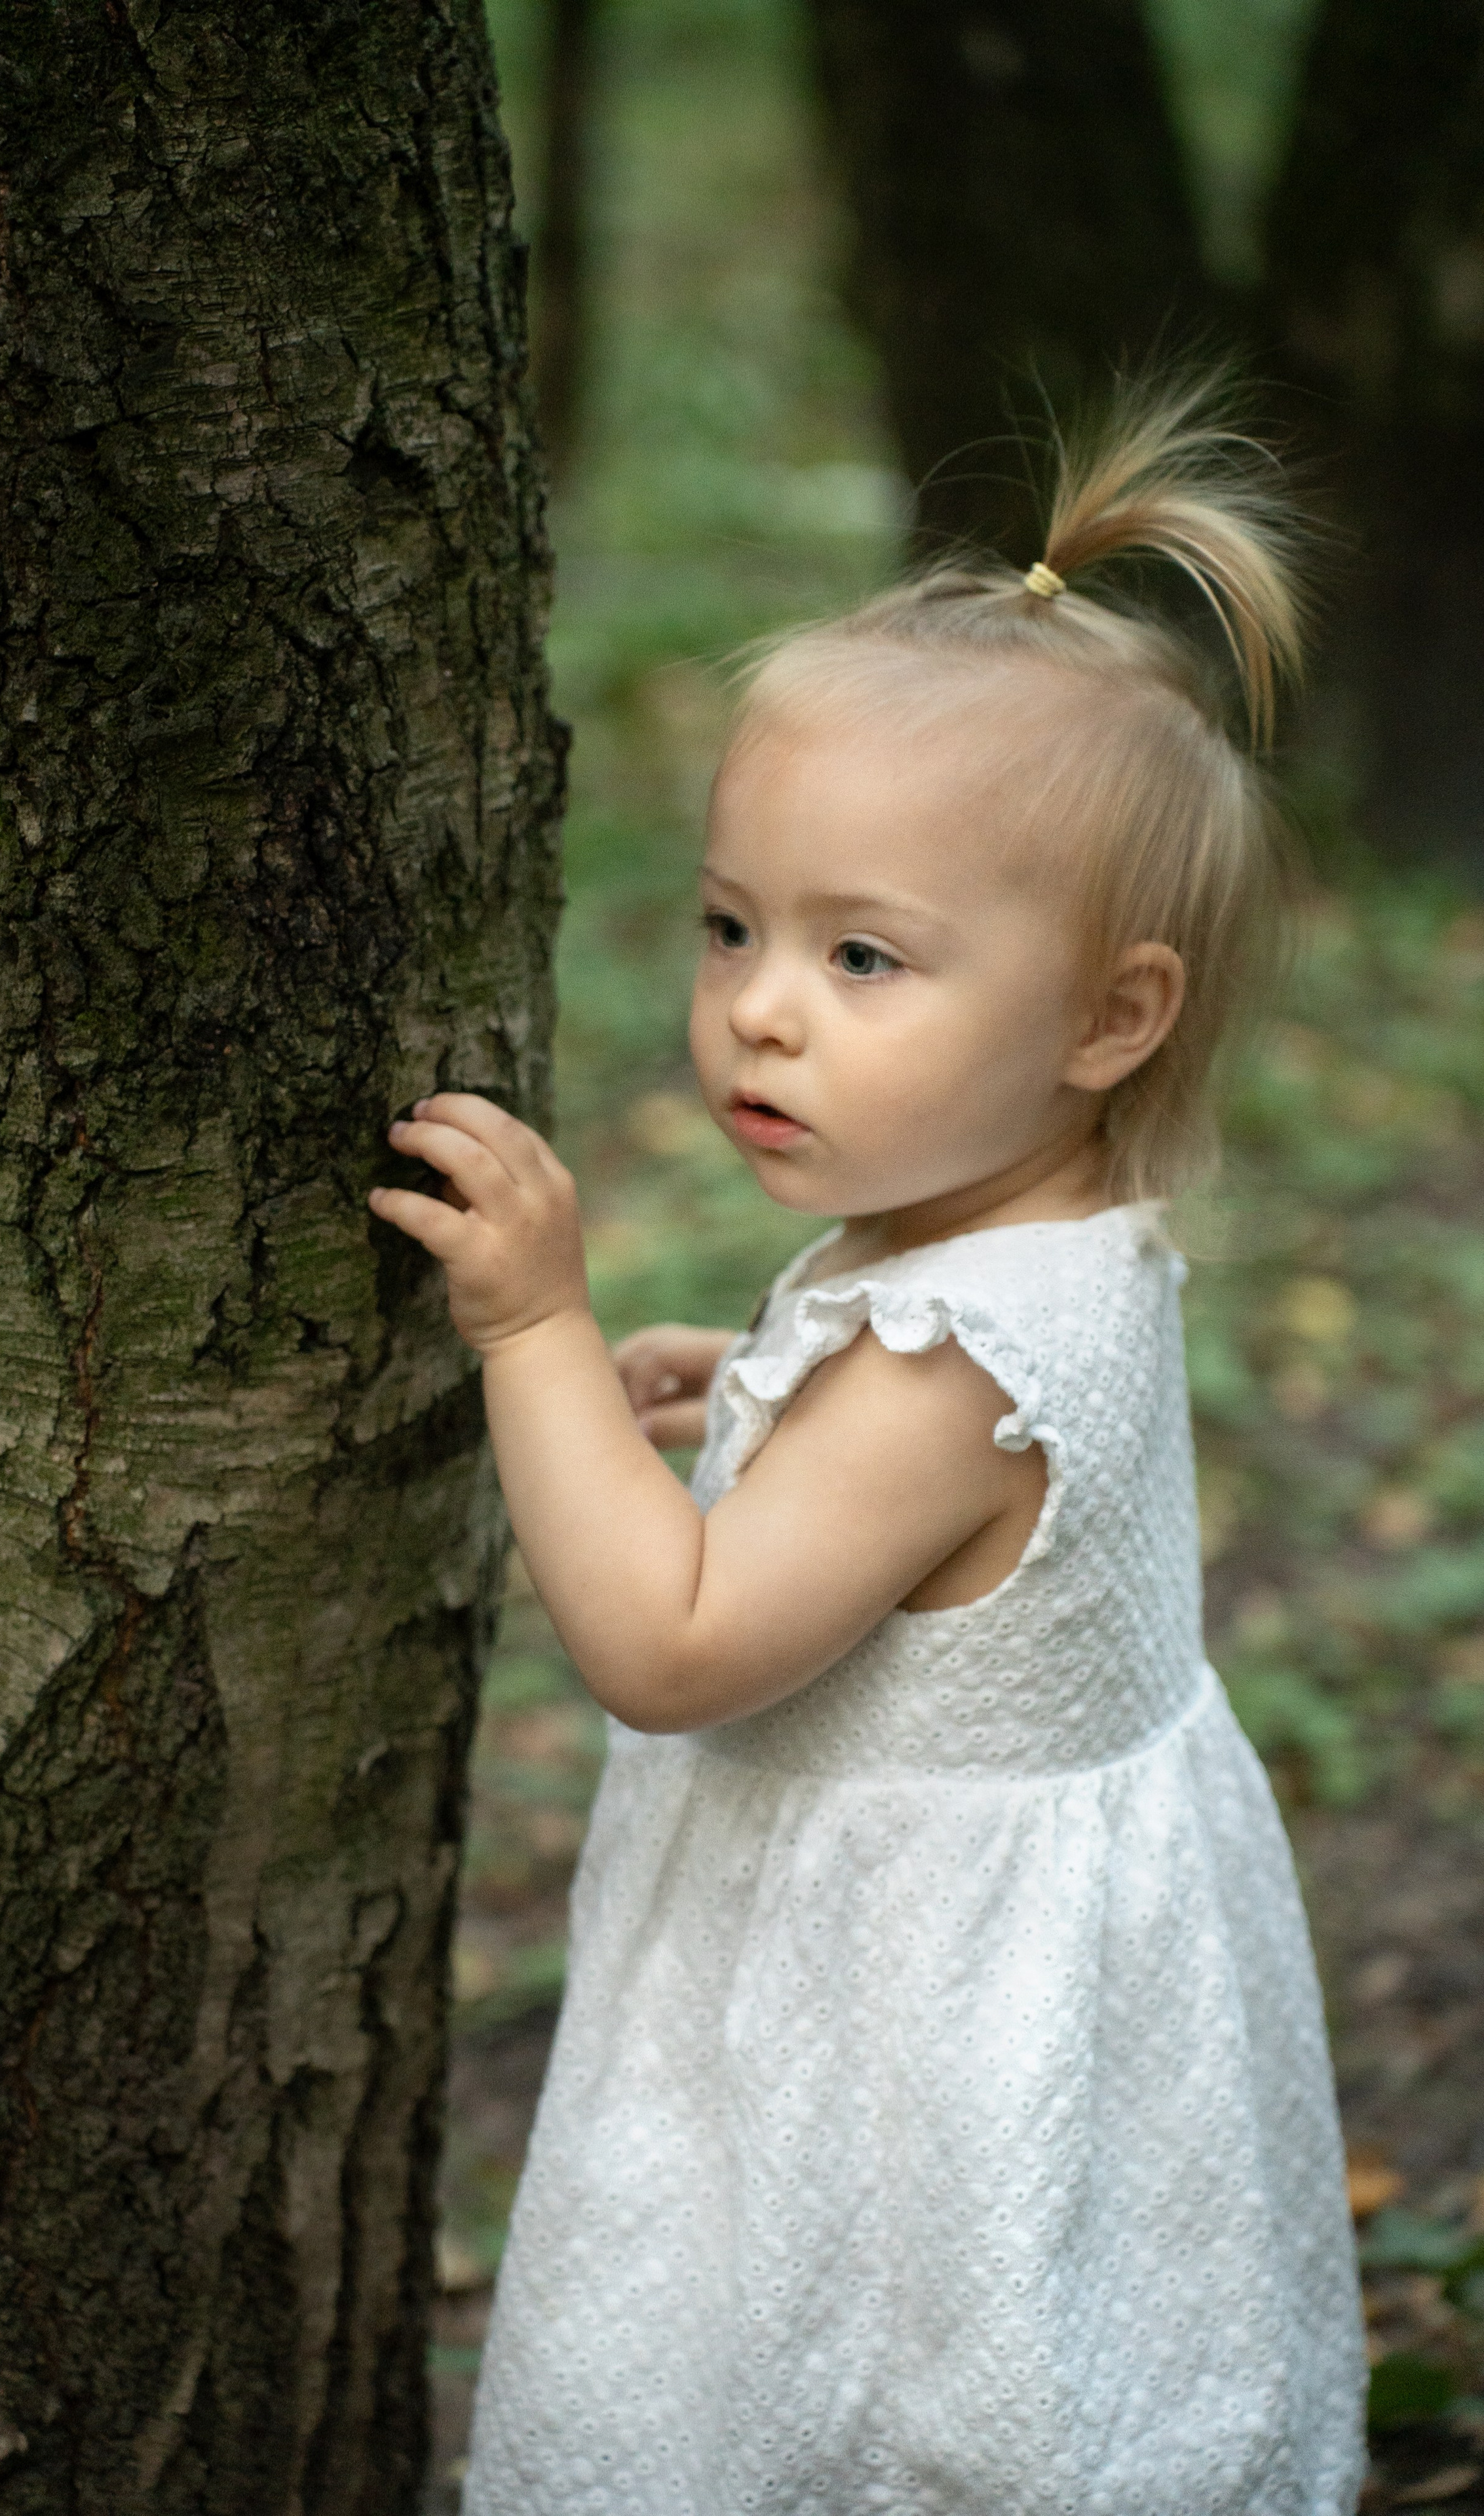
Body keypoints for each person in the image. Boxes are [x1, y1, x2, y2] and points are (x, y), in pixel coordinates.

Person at [369, 372, 1366, 2515]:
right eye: (733, 924)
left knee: (866, 2416)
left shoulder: (933, 1365)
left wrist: (530, 1327)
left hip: (900, 2055)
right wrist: (743, 1400)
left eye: (863, 956)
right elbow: (921, 1537)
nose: (759, 1008)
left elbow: (671, 1641)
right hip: (1033, 1987)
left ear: (1113, 1017)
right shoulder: (1044, 1246)